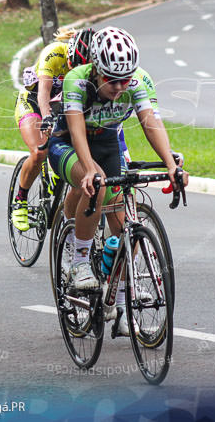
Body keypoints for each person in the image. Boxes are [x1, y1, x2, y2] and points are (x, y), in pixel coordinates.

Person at [48, 26, 188, 333]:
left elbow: (150, 121)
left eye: (125, 79)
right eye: (112, 79)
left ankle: (122, 308)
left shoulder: (138, 80)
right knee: (95, 185)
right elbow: (76, 132)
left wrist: (170, 164)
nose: (120, 85)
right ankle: (80, 262)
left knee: (125, 222)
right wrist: (88, 169)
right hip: (68, 144)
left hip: (108, 144)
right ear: (97, 70)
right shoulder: (77, 80)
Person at [11, 28, 94, 231]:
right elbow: (43, 93)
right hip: (34, 102)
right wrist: (47, 118)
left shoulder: (91, 68)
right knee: (39, 151)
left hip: (63, 106)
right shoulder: (54, 52)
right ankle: (20, 200)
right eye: (73, 66)